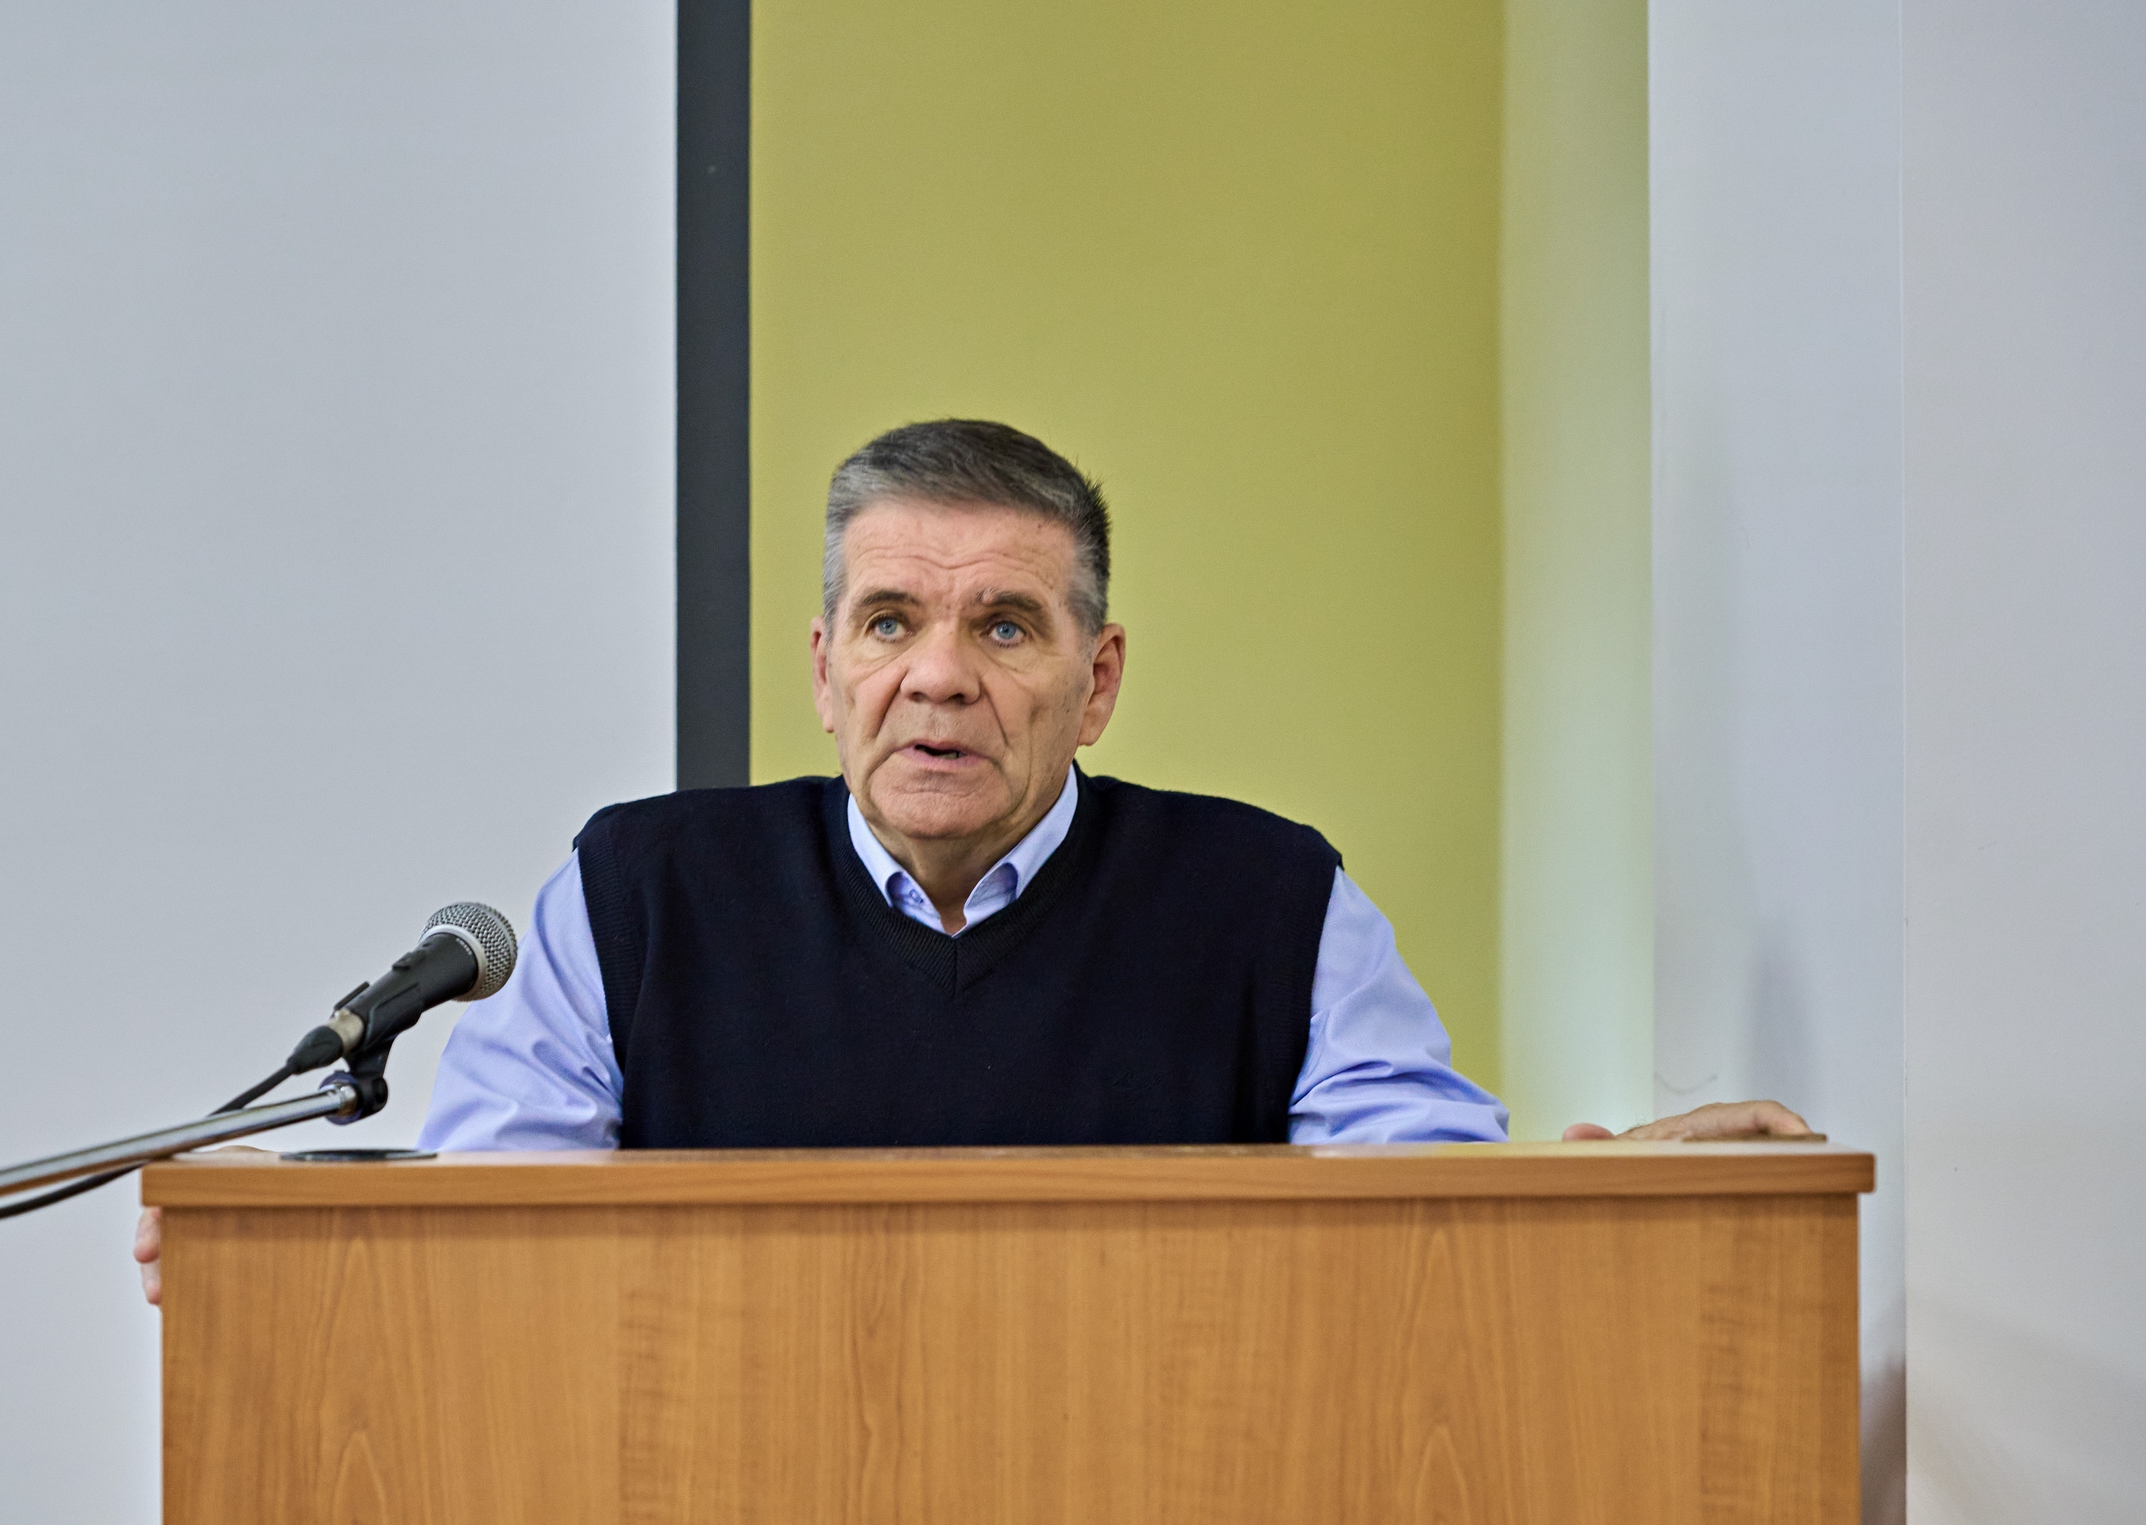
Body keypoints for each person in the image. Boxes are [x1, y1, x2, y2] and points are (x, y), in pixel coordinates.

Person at [136, 420, 1808, 1301]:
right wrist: (303, 1270)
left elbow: (1418, 1218)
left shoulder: (1271, 902)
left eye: (1004, 625)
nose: (938, 675)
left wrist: (1604, 1195)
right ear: (825, 671)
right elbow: (497, 1238)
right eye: (891, 622)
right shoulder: (639, 892)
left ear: (1099, 679)